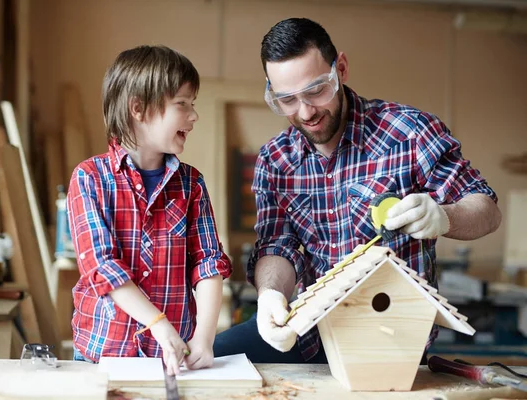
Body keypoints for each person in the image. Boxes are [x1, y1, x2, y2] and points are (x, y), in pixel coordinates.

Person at [213, 17, 501, 364]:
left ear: (342, 69)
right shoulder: (275, 160)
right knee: (212, 361)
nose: (305, 112)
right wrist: (271, 294)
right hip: (310, 334)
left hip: (391, 339)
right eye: (287, 99)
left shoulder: (408, 133)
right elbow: (277, 245)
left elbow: (487, 209)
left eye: (316, 90)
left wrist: (445, 217)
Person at [67, 45, 232, 375]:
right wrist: (157, 322)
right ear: (138, 109)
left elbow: (208, 263)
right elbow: (103, 266)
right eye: (182, 104)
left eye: (193, 104)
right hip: (103, 355)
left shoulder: (191, 184)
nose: (193, 115)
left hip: (171, 360)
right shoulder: (89, 179)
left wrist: (204, 337)